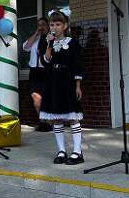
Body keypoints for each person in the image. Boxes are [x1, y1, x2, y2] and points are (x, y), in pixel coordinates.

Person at [39, 9, 84, 165]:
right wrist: (48, 45)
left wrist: (77, 85)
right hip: (52, 82)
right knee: (56, 118)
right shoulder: (48, 42)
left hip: (67, 81)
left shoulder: (72, 43)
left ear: (65, 26)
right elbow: (45, 61)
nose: (54, 27)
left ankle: (77, 152)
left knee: (72, 117)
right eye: (52, 24)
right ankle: (61, 151)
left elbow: (77, 65)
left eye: (58, 24)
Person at [23, 17, 52, 132]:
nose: (41, 27)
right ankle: (42, 120)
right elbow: (25, 47)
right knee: (36, 98)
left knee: (47, 97)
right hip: (35, 71)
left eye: (43, 24)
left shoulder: (51, 38)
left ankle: (49, 122)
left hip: (46, 70)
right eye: (39, 25)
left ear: (48, 25)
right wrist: (36, 33)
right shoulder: (36, 38)